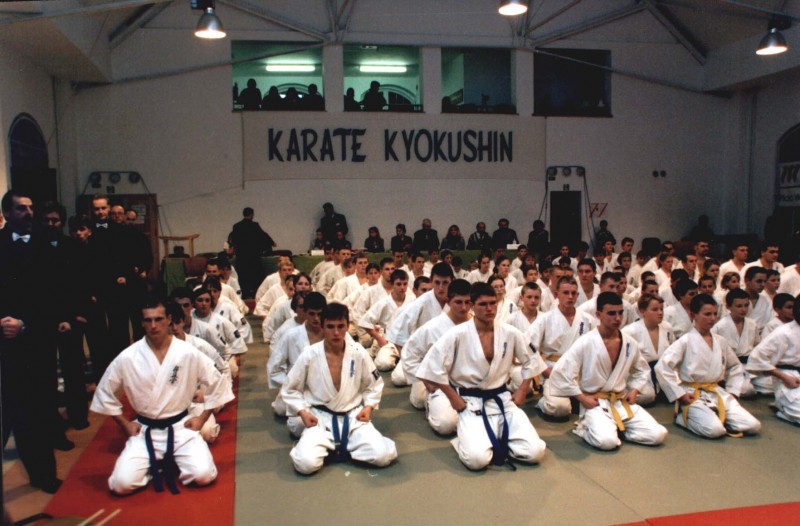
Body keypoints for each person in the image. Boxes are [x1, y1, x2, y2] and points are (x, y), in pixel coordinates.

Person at [90, 297, 234, 494]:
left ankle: (170, 459)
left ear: (169, 319)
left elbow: (218, 383)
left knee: (203, 476)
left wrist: (201, 419)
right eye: (148, 320)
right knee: (121, 484)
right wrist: (124, 424)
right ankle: (154, 465)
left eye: (158, 319)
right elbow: (104, 392)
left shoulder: (187, 352)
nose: (153, 325)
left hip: (180, 426)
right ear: (141, 323)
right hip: (145, 430)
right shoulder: (128, 356)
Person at [416, 282, 547, 470]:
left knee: (535, 452)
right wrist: (453, 398)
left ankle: (492, 438)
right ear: (472, 306)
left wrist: (522, 390)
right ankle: (471, 440)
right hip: (470, 403)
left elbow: (532, 360)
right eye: (483, 304)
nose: (489, 308)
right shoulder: (457, 334)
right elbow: (431, 367)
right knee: (477, 461)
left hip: (502, 400)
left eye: (493, 303)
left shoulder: (510, 332)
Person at [280, 303, 397, 474]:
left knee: (382, 456)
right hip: (320, 417)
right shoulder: (310, 354)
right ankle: (337, 446)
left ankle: (336, 447)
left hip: (353, 417)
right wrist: (303, 412)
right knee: (305, 465)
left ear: (348, 326)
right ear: (322, 327)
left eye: (340, 326)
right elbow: (291, 389)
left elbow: (374, 384)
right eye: (330, 327)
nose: (336, 332)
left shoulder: (358, 352)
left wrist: (368, 407)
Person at [1, 190, 64, 493]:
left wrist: (24, 324)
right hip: (4, 345)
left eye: (30, 208)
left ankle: (43, 475)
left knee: (38, 412)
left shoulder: (45, 247)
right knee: (10, 411)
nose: (28, 213)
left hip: (37, 342)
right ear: (7, 214)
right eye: (21, 208)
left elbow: (53, 297)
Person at [549, 292, 667, 450]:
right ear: (598, 315)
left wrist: (635, 390)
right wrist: (582, 398)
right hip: (595, 404)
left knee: (657, 435)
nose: (618, 318)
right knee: (607, 442)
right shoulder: (586, 342)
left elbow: (642, 370)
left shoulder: (629, 342)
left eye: (620, 313)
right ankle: (585, 427)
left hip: (620, 401)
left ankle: (616, 429)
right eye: (611, 313)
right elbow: (560, 372)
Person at [656, 294, 761, 439]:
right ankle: (682, 417)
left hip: (717, 392)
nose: (712, 318)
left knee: (753, 425)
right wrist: (680, 395)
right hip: (693, 393)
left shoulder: (721, 341)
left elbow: (735, 366)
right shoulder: (685, 341)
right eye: (707, 314)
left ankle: (716, 415)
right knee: (715, 431)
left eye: (715, 314)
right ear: (693, 315)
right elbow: (662, 367)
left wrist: (733, 390)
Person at [401, 280, 472, 434]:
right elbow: (409, 355)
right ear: (448, 301)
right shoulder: (433, 327)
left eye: (467, 302)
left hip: (472, 383)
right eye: (458, 302)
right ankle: (428, 399)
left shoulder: (477, 324)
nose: (464, 307)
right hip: (442, 384)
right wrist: (427, 380)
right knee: (446, 424)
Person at [528, 276, 597, 419]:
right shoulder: (545, 319)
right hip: (554, 370)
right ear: (556, 295)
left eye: (573, 293)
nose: (570, 297)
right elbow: (529, 347)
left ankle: (574, 398)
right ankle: (543, 402)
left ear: (577, 295)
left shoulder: (588, 320)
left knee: (599, 406)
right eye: (565, 293)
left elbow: (596, 348)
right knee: (559, 408)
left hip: (580, 372)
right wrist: (544, 369)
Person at [269, 292, 326, 415]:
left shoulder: (332, 333)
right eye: (312, 314)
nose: (316, 318)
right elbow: (274, 369)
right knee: (282, 410)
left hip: (326, 386)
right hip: (298, 388)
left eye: (320, 314)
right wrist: (291, 383)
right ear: (305, 312)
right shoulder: (291, 335)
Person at [746, 298, 800, 424]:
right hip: (788, 377)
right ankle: (783, 410)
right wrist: (784, 377)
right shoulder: (784, 332)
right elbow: (757, 357)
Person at [622, 294, 675, 404]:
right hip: (639, 373)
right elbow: (625, 361)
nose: (660, 313)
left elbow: (672, 353)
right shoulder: (629, 331)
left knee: (679, 392)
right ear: (643, 311)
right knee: (648, 396)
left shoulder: (667, 328)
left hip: (662, 372)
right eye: (655, 309)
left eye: (661, 309)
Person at [711, 289, 761, 397]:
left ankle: (745, 382)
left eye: (746, 305)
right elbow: (713, 351)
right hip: (730, 367)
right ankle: (728, 383)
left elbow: (757, 345)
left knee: (771, 384)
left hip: (749, 364)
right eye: (739, 306)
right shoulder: (720, 326)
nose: (743, 309)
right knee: (747, 390)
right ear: (728, 307)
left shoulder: (752, 324)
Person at [228, 207, 276, 298]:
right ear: (252, 215)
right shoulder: (254, 225)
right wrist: (272, 242)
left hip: (241, 256)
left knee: (242, 276)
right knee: (257, 275)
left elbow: (233, 240)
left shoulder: (236, 226)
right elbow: (263, 235)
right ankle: (256, 294)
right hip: (253, 256)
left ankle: (244, 295)